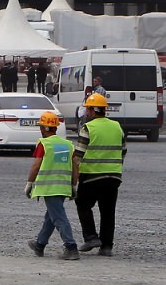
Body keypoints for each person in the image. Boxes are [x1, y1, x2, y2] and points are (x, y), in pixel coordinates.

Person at [73, 93, 126, 257]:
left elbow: (78, 155)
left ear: (92, 111)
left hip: (91, 175)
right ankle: (107, 246)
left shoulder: (88, 128)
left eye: (87, 109)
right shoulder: (116, 126)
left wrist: (73, 175)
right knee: (108, 211)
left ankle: (90, 237)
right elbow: (123, 150)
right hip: (113, 177)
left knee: (82, 204)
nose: (86, 113)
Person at [25, 111, 80, 260]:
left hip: (49, 188)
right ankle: (40, 245)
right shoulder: (68, 145)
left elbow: (36, 165)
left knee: (59, 218)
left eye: (41, 126)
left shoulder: (44, 144)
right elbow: (75, 165)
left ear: (44, 128)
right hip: (63, 187)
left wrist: (29, 183)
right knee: (51, 216)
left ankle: (71, 247)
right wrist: (74, 185)